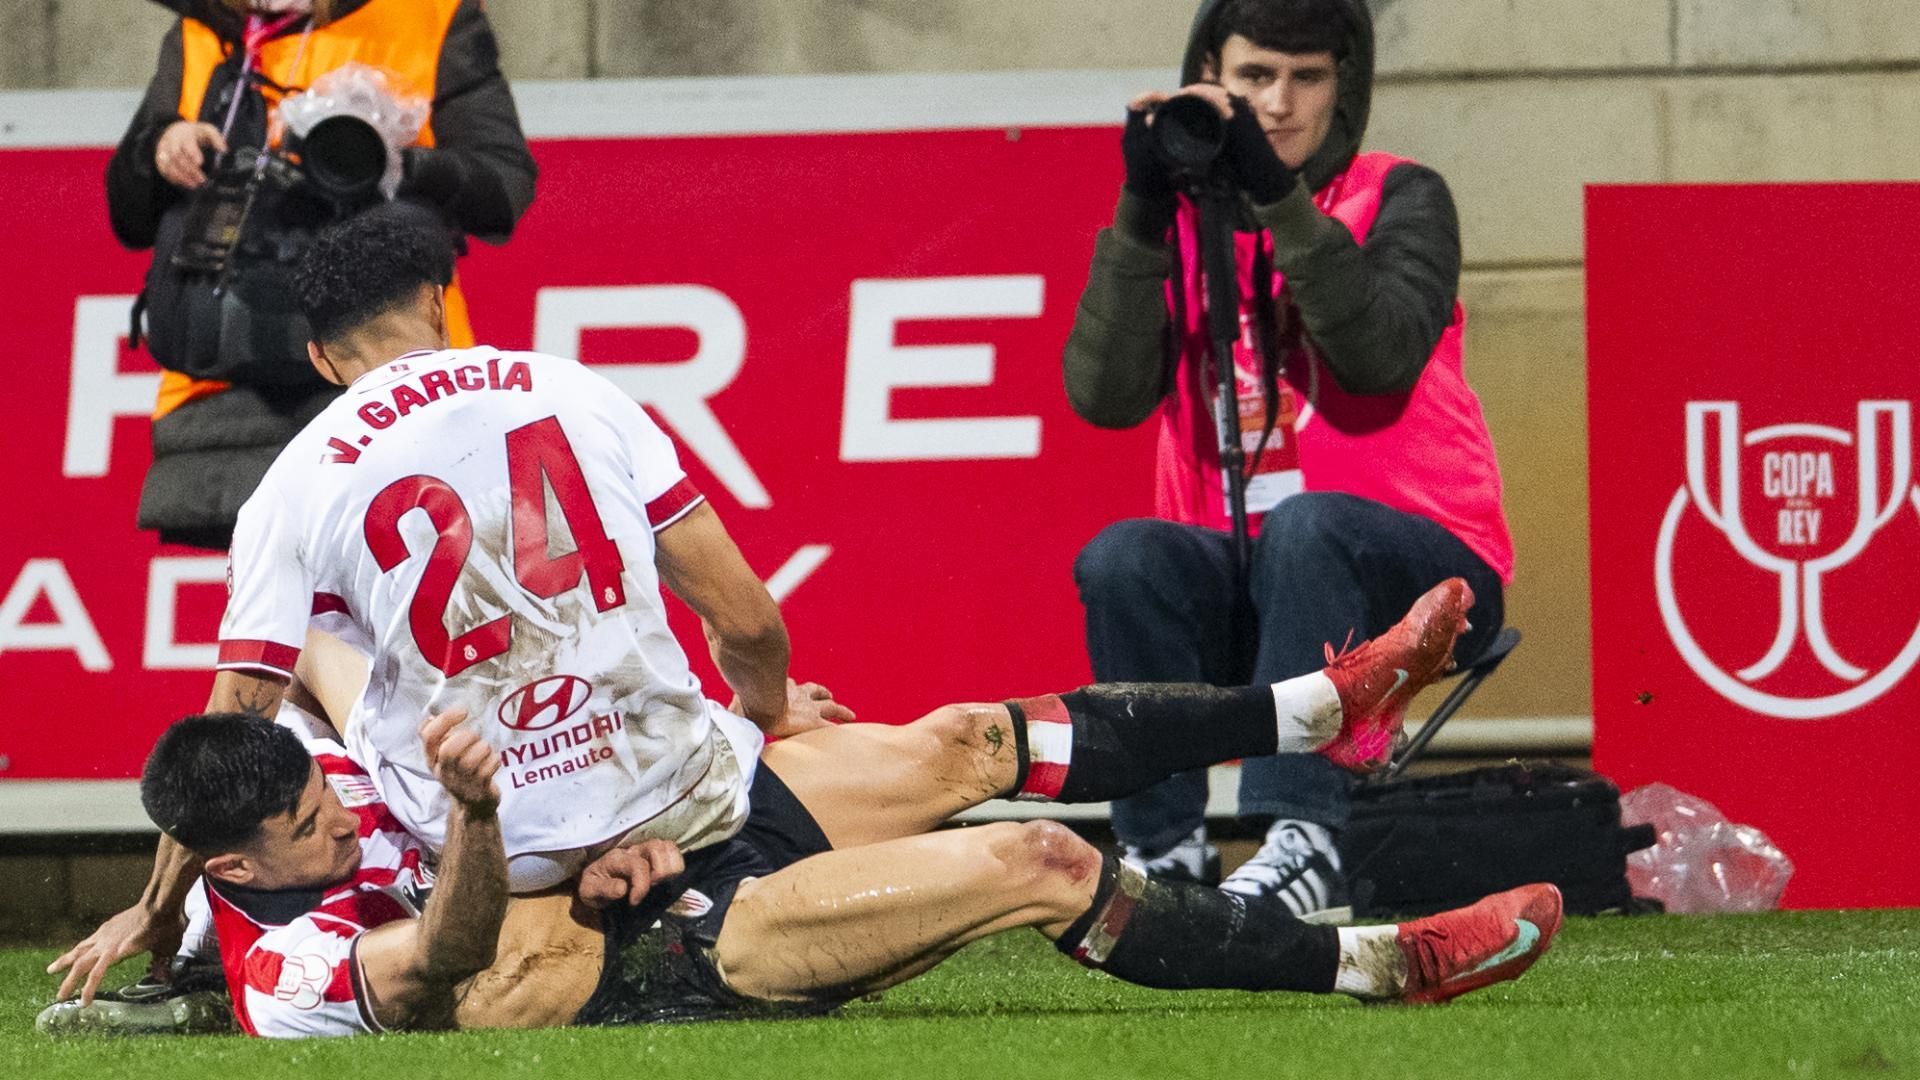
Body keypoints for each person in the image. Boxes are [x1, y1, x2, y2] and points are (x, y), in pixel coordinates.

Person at [69, 578, 1561, 1037]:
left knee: (967, 742)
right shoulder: (294, 977)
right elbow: (456, 966)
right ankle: (1377, 963)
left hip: (657, 865)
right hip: (674, 965)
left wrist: (136, 908)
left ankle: (1328, 705)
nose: (342, 820)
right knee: (1040, 864)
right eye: (315, 830)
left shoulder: (274, 804)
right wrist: (532, 852)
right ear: (238, 867)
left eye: (331, 798)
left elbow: (278, 645)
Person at [49, 203, 835, 1008]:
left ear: (320, 358)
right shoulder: (574, 388)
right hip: (673, 793)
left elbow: (233, 734)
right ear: (435, 301)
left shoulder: (290, 486)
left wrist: (154, 903)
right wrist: (767, 713)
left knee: (300, 667)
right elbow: (746, 621)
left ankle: (209, 942)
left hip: (490, 849)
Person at [1063, 0, 1513, 919]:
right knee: (1124, 556)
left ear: (1343, 91)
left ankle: (1304, 840)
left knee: (1309, 527)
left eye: (1307, 79)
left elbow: (1378, 356)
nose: (1278, 103)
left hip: (1428, 583)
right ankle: (1163, 853)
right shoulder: (1179, 228)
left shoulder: (1403, 194)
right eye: (1255, 77)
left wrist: (1281, 200)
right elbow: (1102, 399)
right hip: (1263, 589)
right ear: (1210, 77)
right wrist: (1141, 211)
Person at [109, 0, 537, 548]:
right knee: (278, 620)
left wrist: (399, 162)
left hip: (389, 383)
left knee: (392, 611)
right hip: (224, 398)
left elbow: (503, 190)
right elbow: (128, 217)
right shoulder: (203, 30)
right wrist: (161, 146)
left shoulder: (430, 16)